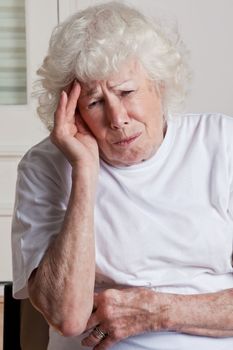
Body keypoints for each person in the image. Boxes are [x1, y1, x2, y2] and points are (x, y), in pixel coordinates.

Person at [11, 2, 233, 350]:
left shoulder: (222, 143)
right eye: (95, 103)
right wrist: (84, 171)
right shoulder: (45, 166)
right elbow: (67, 316)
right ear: (72, 110)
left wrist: (159, 311)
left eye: (126, 92)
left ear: (158, 83)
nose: (117, 118)